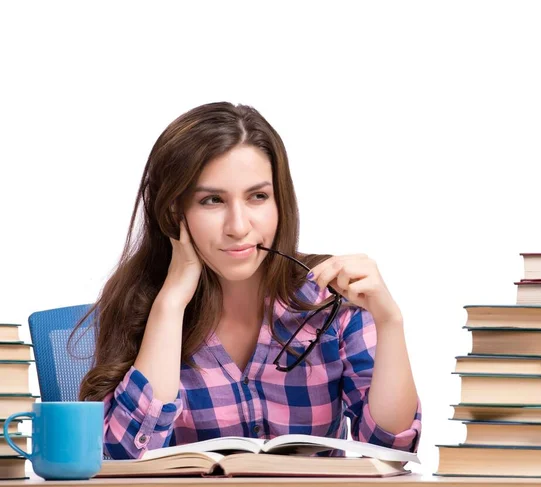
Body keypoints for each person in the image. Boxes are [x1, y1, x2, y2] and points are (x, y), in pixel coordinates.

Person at [74, 102, 422, 460]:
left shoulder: (332, 298)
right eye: (212, 200)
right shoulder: (144, 304)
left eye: (258, 197)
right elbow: (121, 458)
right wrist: (171, 303)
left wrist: (390, 321)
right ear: (174, 211)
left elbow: (389, 452)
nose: (239, 226)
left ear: (279, 202)